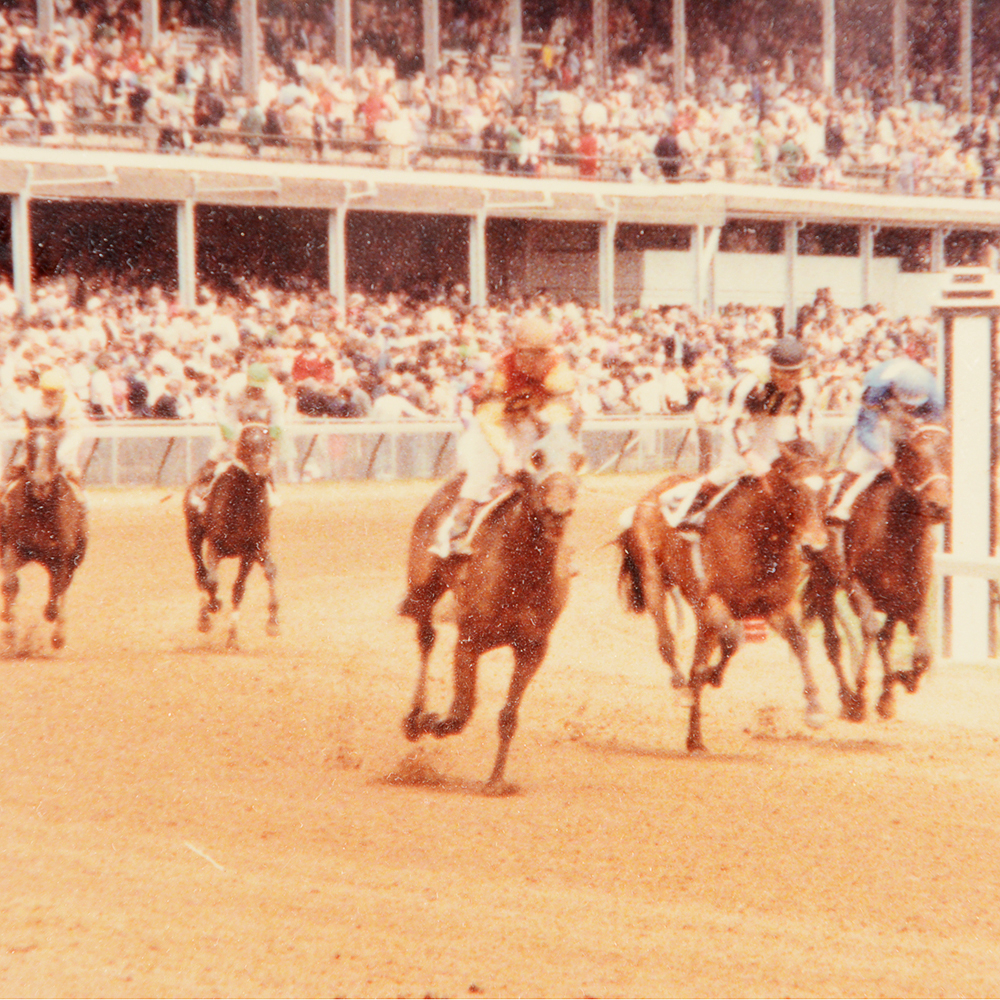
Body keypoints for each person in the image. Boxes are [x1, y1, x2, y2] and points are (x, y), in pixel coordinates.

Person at [429, 314, 577, 558]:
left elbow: (560, 416)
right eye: (530, 354)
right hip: (492, 426)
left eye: (542, 355)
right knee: (484, 469)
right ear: (517, 352)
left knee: (552, 473)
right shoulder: (502, 368)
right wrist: (506, 454)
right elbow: (490, 419)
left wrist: (545, 427)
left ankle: (561, 540)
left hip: (529, 423)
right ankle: (458, 530)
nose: (537, 362)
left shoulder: (558, 369)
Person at [660, 337, 815, 530]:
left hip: (774, 416)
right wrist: (749, 455)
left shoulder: (806, 386)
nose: (790, 380)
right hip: (740, 417)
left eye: (795, 374)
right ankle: (682, 506)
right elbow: (730, 425)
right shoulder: (749, 383)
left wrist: (806, 455)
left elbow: (803, 423)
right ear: (772, 369)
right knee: (734, 467)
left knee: (783, 468)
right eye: (784, 374)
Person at [824, 356, 944, 573]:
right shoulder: (876, 387)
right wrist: (882, 453)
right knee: (863, 461)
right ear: (896, 391)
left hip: (912, 425)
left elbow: (934, 428)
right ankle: (839, 506)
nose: (909, 407)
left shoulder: (933, 392)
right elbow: (864, 431)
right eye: (906, 402)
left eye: (913, 405)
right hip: (881, 419)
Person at [190, 362, 288, 510]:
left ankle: (271, 489)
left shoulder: (275, 394)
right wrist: (232, 443)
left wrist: (271, 448)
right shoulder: (234, 389)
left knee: (266, 454)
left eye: (260, 388)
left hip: (260, 420)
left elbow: (277, 424)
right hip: (235, 417)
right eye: (253, 387)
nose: (256, 391)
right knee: (221, 450)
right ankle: (202, 488)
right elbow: (225, 419)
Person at [2, 368, 88, 500]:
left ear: (62, 392)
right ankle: (6, 491)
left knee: (61, 458)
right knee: (22, 461)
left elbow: (72, 430)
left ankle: (81, 498)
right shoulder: (33, 402)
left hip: (66, 436)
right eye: (47, 393)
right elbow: (25, 426)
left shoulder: (71, 404)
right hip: (39, 437)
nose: (50, 397)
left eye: (54, 394)